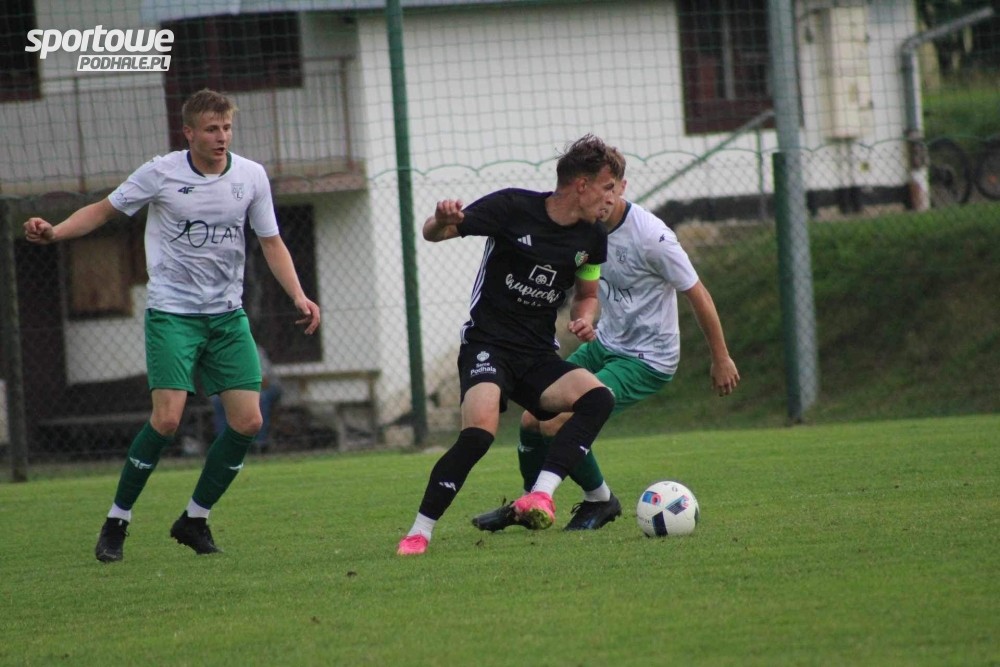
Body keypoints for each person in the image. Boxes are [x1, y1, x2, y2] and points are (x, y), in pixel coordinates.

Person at [24, 89, 321, 562]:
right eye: (211, 129)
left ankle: (194, 519)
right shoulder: (160, 172)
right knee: (166, 420)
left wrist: (299, 295)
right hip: (173, 314)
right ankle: (117, 520)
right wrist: (56, 232)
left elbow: (271, 242)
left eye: (227, 128)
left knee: (248, 421)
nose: (221, 137)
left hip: (227, 316)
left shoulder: (251, 176)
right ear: (189, 133)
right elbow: (103, 209)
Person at [397, 134, 625, 556]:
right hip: (488, 345)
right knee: (479, 435)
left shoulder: (593, 236)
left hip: (537, 356)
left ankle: (541, 494)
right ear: (582, 185)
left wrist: (585, 316)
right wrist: (440, 219)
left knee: (598, 398)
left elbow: (588, 293)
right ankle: (419, 532)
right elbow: (434, 234)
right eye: (608, 187)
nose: (612, 198)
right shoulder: (512, 207)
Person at [470, 178, 740, 532]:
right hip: (605, 344)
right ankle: (527, 504)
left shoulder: (652, 238)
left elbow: (697, 292)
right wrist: (584, 320)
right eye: (597, 187)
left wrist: (721, 357)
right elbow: (587, 290)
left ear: (622, 186)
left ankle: (600, 501)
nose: (604, 196)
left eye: (611, 187)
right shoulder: (585, 230)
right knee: (533, 418)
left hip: (646, 359)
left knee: (557, 421)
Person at [210, 344, 283, 452]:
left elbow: (264, 381)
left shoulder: (253, 350)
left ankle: (260, 444)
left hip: (263, 388)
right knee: (218, 400)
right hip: (235, 391)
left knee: (261, 398)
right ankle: (225, 444)